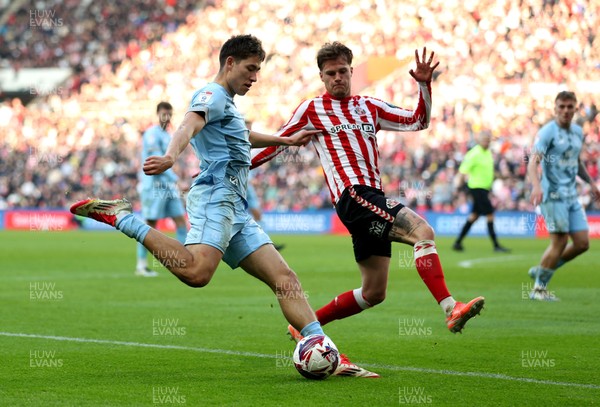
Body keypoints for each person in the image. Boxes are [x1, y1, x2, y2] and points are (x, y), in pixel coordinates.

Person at [70, 35, 377, 378]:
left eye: (258, 70)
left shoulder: (227, 102)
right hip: (216, 196)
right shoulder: (210, 95)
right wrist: (172, 156)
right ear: (229, 63)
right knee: (197, 273)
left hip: (236, 206)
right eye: (250, 68)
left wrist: (285, 139)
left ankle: (323, 349)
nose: (255, 77)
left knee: (285, 278)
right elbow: (189, 122)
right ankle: (123, 218)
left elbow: (243, 136)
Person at [252, 42, 485, 339]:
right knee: (423, 233)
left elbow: (419, 121)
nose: (337, 77)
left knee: (374, 292)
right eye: (330, 73)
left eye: (342, 71)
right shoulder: (312, 109)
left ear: (352, 71)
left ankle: (304, 326)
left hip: (368, 198)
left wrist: (424, 86)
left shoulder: (369, 106)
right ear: (322, 77)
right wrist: (239, 166)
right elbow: (276, 142)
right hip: (354, 194)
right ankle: (451, 308)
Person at [526, 91, 600, 301]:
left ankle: (542, 269)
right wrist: (536, 186)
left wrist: (592, 183)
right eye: (562, 107)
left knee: (582, 243)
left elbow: (576, 162)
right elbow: (533, 162)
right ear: (555, 108)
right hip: (552, 195)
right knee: (559, 242)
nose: (566, 111)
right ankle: (539, 289)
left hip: (571, 195)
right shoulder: (548, 132)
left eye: (570, 107)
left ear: (576, 108)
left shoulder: (577, 132)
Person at [135, 102, 188, 277]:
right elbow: (157, 163)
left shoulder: (168, 136)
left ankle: (183, 261)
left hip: (169, 187)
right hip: (154, 186)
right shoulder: (151, 134)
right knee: (150, 224)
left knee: (181, 221)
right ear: (158, 114)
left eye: (169, 114)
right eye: (164, 114)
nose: (167, 117)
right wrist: (177, 181)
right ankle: (141, 265)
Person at [451, 133, 510, 253]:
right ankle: (496, 245)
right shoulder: (473, 153)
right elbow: (463, 171)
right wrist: (458, 188)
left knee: (474, 216)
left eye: (488, 140)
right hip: (477, 188)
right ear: (479, 140)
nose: (487, 142)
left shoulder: (488, 152)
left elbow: (488, 170)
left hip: (484, 189)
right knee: (490, 214)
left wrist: (501, 176)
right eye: (484, 140)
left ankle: (457, 243)